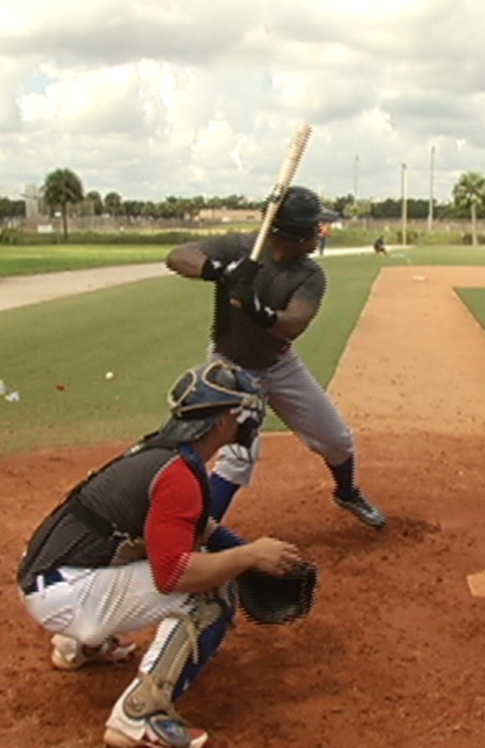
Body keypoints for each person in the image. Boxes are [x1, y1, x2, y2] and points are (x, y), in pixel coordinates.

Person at [16, 360, 306, 748]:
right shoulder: (178, 477)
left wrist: (249, 553)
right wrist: (246, 558)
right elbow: (175, 574)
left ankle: (78, 645)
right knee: (209, 592)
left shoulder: (163, 453)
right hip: (66, 592)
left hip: (52, 572)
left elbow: (199, 530)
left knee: (171, 552)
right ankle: (139, 714)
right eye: (240, 409)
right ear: (221, 423)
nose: (249, 416)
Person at [165, 186, 387, 531]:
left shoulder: (310, 274)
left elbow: (293, 324)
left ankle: (347, 492)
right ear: (294, 235)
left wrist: (256, 308)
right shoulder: (240, 247)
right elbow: (178, 256)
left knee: (336, 440)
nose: (319, 233)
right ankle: (194, 535)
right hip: (230, 368)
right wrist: (220, 271)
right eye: (313, 228)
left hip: (279, 364)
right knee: (238, 457)